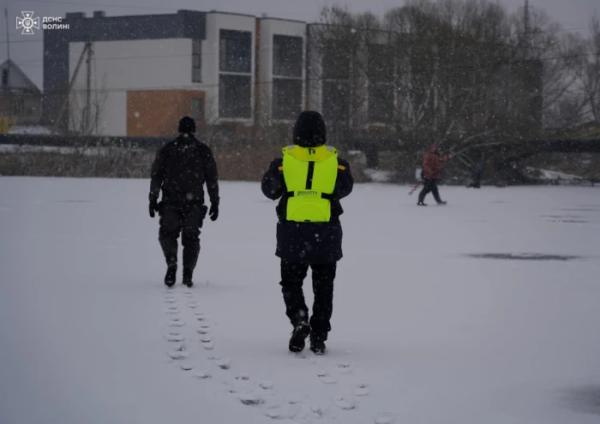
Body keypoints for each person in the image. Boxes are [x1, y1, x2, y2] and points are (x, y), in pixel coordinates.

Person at [261, 111, 353, 355]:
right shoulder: (337, 161)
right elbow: (345, 188)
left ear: (296, 132)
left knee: (291, 282)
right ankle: (319, 335)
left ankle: (299, 320)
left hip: (293, 232)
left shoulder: (283, 160)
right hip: (326, 232)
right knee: (324, 287)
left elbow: (269, 191)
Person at [148, 116, 219, 288]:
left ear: (179, 129)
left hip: (171, 202)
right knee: (191, 238)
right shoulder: (203, 151)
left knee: (167, 234)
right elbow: (211, 179)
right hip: (194, 203)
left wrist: (152, 198)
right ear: (194, 129)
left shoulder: (167, 150)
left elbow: (156, 176)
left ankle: (172, 264)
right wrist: (215, 202)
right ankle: (188, 272)